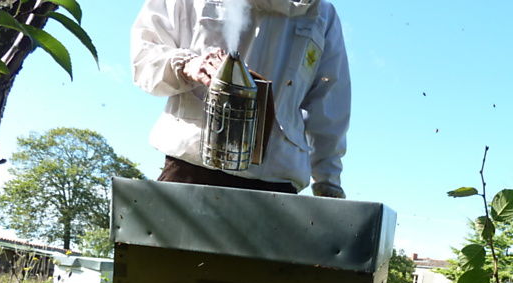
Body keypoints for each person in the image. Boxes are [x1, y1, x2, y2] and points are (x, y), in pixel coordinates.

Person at [130, 0, 351, 198]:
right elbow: (144, 55)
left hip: (276, 184)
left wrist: (328, 185)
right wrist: (188, 64)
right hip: (191, 167)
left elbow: (330, 103)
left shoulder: (323, 15)